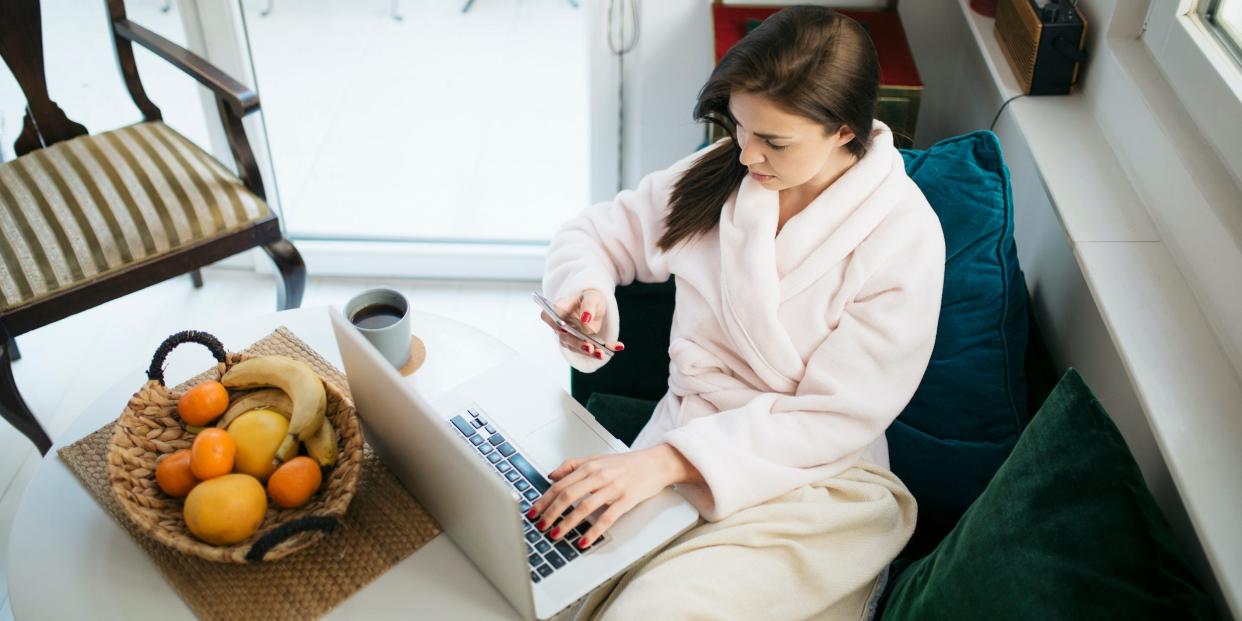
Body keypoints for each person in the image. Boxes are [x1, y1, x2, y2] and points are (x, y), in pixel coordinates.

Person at [533, 6, 945, 619]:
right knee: (544, 585)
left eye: (774, 141)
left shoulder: (903, 238)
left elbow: (834, 418)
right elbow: (593, 233)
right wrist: (588, 290)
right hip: (677, 446)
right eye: (739, 127)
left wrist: (666, 463)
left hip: (815, 482)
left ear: (843, 131)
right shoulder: (721, 174)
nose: (747, 156)